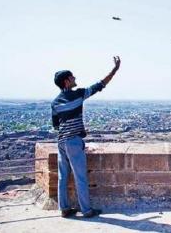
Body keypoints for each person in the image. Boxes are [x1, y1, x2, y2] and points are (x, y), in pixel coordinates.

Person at [51, 56, 121, 218]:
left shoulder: (55, 102)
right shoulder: (78, 95)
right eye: (72, 77)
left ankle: (65, 208)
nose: (75, 78)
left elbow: (56, 125)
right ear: (67, 81)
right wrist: (115, 70)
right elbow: (100, 85)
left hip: (61, 141)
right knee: (80, 176)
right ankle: (87, 210)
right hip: (73, 142)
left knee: (63, 176)